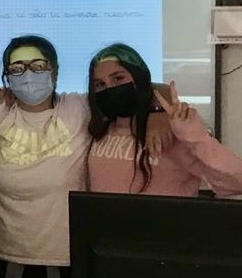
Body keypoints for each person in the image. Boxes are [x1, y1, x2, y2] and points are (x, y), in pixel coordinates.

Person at [0, 36, 89, 278]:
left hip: (61, 260)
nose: (28, 76)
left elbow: (147, 88)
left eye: (38, 66)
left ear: (55, 71)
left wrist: (155, 116)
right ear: (6, 77)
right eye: (17, 68)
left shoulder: (79, 108)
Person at [87, 43, 242, 196]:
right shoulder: (100, 132)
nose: (109, 88)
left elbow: (236, 183)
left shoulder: (174, 130)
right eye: (100, 84)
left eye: (118, 78)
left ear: (138, 77)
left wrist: (195, 136)